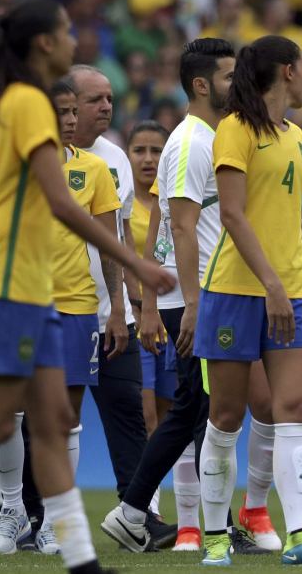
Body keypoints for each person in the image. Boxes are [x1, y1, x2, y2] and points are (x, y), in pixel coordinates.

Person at [0, 0, 174, 574]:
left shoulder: (8, 108)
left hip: (18, 286)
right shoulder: (26, 106)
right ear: (44, 43)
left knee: (51, 423)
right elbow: (63, 203)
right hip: (9, 286)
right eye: (67, 31)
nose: (74, 39)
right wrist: (139, 267)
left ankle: (80, 560)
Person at [103, 38, 277, 556]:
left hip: (206, 294)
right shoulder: (189, 142)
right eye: (228, 75)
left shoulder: (214, 136)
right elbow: (178, 228)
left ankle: (132, 512)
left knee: (194, 409)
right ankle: (211, 528)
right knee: (206, 410)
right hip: (199, 297)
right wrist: (192, 305)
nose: (237, 83)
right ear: (202, 85)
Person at [191, 35, 302, 566]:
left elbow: (293, 216)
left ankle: (301, 535)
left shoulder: (297, 136)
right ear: (287, 72)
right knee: (227, 416)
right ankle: (215, 534)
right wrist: (273, 286)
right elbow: (234, 216)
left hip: (293, 292)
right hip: (237, 291)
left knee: (294, 410)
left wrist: (300, 279)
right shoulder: (234, 130)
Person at [0, 77, 120, 556]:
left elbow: (109, 246)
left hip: (76, 306)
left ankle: (51, 519)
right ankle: (11, 509)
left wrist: (118, 308)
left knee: (64, 416)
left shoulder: (96, 170)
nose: (67, 120)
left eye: (70, 112)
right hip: (20, 303)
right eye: (58, 112)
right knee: (9, 412)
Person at [64, 66, 175, 546]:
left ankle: (138, 514)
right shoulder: (39, 157)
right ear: (67, 104)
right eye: (95, 100)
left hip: (112, 313)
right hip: (56, 308)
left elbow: (119, 238)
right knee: (49, 418)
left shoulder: (115, 161)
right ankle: (34, 517)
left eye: (109, 98)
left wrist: (124, 305)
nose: (106, 107)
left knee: (130, 414)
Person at [126, 121, 177, 437]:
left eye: (156, 151)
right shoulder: (119, 203)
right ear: (126, 155)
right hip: (137, 319)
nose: (148, 159)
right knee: (144, 415)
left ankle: (166, 487)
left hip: (172, 319)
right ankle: (148, 490)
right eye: (139, 151)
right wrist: (138, 306)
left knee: (168, 417)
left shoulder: (177, 203)